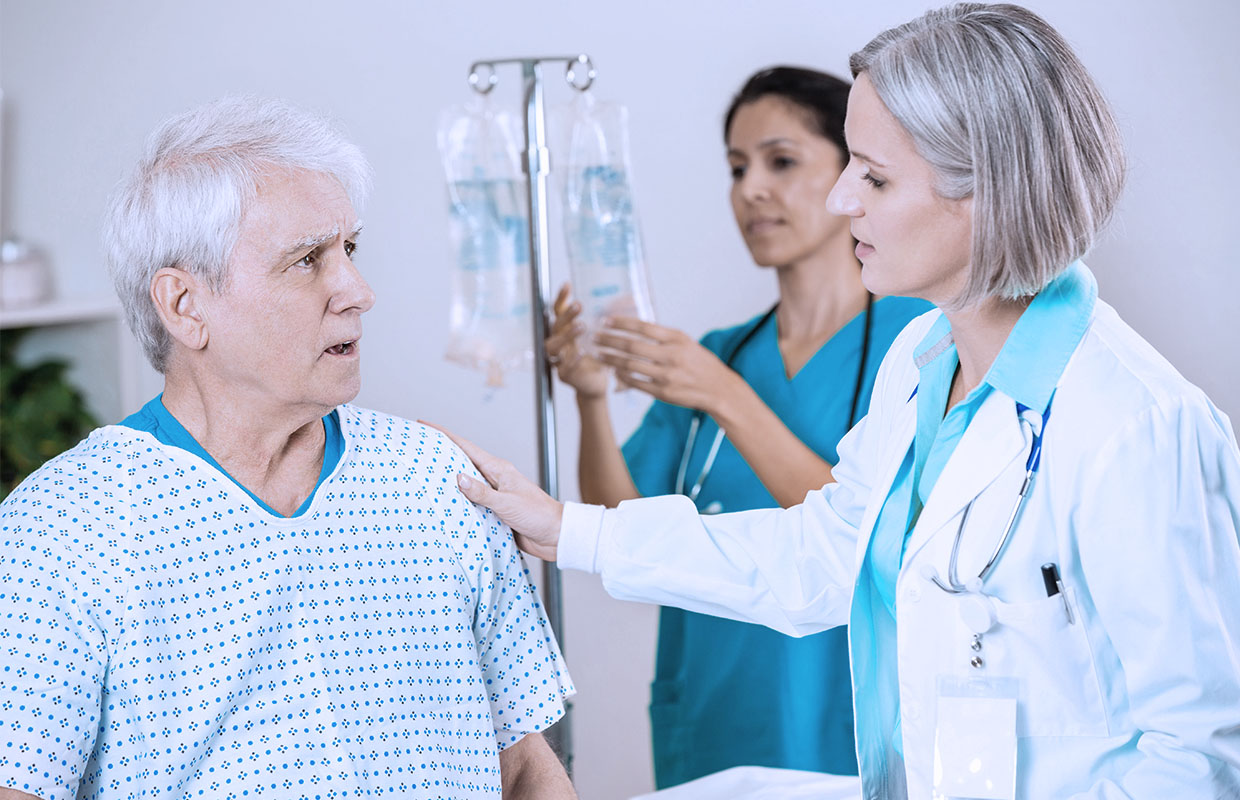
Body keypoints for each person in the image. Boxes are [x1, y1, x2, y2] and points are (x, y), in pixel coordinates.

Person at [446, 4, 1240, 797]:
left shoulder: (1140, 426)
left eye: (875, 176)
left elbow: (1202, 753)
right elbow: (822, 554)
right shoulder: (921, 363)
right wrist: (569, 530)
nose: (840, 202)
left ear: (985, 189)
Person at [0, 96, 575, 800]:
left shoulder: (438, 483)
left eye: (349, 251)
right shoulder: (61, 533)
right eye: (307, 261)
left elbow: (522, 763)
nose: (358, 292)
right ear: (185, 306)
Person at [546, 66, 928, 786]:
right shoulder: (721, 353)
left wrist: (727, 399)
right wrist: (592, 399)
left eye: (781, 161)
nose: (751, 189)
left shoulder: (920, 345)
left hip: (839, 720)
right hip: (712, 711)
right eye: (736, 168)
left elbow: (874, 532)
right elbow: (618, 524)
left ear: (854, 174)